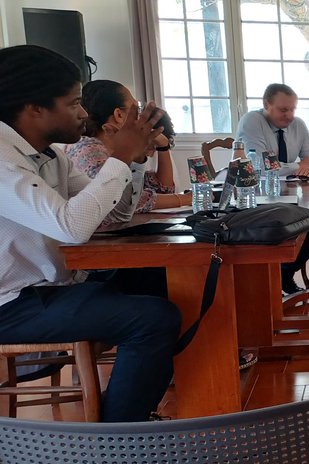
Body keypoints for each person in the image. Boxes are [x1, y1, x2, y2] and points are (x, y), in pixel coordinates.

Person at [0, 45, 179, 421]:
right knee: (152, 318)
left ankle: (164, 397)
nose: (84, 113)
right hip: (13, 304)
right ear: (34, 108)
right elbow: (73, 226)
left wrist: (132, 160)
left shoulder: (50, 154)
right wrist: (119, 157)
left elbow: (115, 214)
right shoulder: (3, 160)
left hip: (52, 288)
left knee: (161, 281)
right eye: (74, 103)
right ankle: (115, 442)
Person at [236, 83, 309, 294]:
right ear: (266, 105)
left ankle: (284, 274)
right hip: (255, 197)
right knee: (279, 225)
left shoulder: (298, 124)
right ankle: (266, 281)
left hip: (288, 194)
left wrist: (299, 166)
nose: (289, 115)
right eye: (283, 109)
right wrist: (299, 165)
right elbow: (260, 167)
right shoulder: (252, 121)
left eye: (292, 109)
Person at [65, 80, 190, 228]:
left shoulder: (111, 149)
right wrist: (184, 199)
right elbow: (124, 204)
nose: (141, 118)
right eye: (136, 111)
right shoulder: (87, 151)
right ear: (119, 115)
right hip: (97, 243)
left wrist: (163, 147)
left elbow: (161, 189)